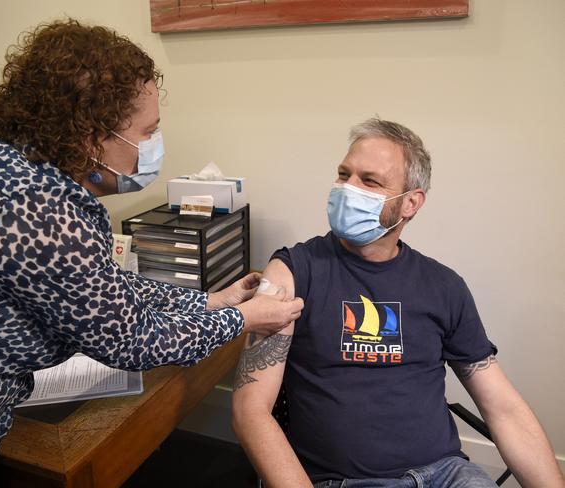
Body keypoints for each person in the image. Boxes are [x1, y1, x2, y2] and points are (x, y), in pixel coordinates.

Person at [0, 20, 303, 487]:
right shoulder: (38, 208)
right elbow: (132, 340)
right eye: (147, 131)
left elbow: (98, 285)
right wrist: (245, 319)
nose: (153, 146)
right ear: (91, 135)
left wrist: (206, 301)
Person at [232, 118, 564, 488]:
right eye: (344, 175)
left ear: (410, 203)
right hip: (338, 480)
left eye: (369, 181)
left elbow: (504, 410)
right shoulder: (293, 273)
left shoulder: (444, 286)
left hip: (445, 475)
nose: (347, 188)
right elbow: (251, 409)